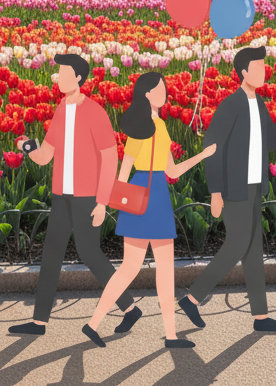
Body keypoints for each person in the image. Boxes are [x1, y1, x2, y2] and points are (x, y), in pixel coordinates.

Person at [8, 53, 143, 338]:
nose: (59, 78)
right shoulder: (60, 110)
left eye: (65, 73)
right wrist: (27, 146)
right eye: (59, 73)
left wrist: (102, 202)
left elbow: (109, 159)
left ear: (79, 78)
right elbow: (45, 157)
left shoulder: (94, 111)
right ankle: (38, 323)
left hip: (87, 198)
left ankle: (130, 308)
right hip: (62, 197)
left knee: (90, 254)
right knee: (51, 255)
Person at [84, 72, 217, 348]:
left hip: (138, 197)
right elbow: (133, 168)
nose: (164, 92)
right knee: (163, 270)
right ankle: (169, 336)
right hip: (153, 197)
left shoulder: (152, 126)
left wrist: (202, 156)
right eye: (159, 88)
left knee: (130, 269)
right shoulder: (149, 127)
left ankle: (94, 323)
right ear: (146, 94)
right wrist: (106, 201)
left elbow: (169, 170)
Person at [178, 46, 276, 334]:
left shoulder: (258, 103)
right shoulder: (230, 105)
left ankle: (260, 317)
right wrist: (216, 192)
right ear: (244, 72)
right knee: (237, 244)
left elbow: (270, 142)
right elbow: (212, 150)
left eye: (264, 67)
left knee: (253, 251)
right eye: (258, 67)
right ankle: (192, 298)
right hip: (234, 188)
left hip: (254, 186)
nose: (263, 72)